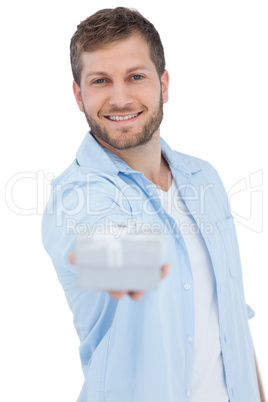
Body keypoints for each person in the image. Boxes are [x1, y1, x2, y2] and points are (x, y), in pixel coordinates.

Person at [42, 7, 265, 402]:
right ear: (79, 95)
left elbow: (229, 316)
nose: (120, 97)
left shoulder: (204, 179)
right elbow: (132, 265)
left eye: (136, 77)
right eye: (100, 81)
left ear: (164, 84)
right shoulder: (73, 200)